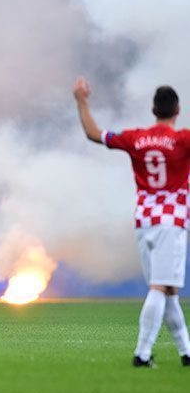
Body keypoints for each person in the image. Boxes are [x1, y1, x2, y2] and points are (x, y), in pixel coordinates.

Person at [73, 77, 190, 368]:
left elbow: (94, 134)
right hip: (171, 222)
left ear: (153, 110)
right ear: (177, 109)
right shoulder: (183, 139)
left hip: (144, 221)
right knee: (160, 288)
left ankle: (187, 353)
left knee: (170, 291)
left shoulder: (136, 137)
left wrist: (81, 101)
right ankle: (142, 353)